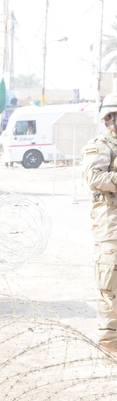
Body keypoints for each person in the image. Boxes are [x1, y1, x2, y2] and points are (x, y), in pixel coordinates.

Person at [83, 93, 117, 352]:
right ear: (110, 118)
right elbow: (94, 177)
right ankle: (110, 346)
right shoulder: (100, 145)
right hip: (111, 228)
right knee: (110, 287)